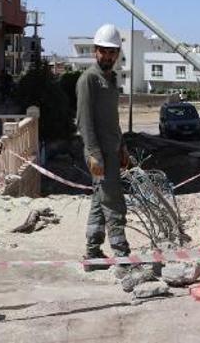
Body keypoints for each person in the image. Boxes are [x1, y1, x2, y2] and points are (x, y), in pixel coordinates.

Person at [77, 24, 131, 271]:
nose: (108, 56)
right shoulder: (88, 79)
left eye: (113, 52)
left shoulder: (111, 79)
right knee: (114, 203)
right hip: (98, 155)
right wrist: (94, 155)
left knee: (100, 201)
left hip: (112, 151)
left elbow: (113, 120)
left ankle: (92, 254)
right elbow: (84, 121)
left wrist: (122, 147)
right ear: (95, 51)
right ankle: (122, 257)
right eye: (104, 51)